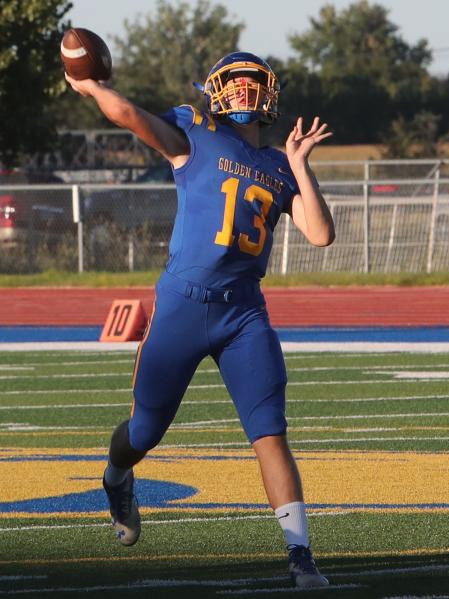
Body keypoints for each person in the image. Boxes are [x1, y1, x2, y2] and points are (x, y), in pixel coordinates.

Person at [65, 51, 335, 588]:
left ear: (269, 95)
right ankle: (117, 475)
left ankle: (301, 555)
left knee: (270, 433)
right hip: (184, 304)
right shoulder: (196, 129)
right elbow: (130, 116)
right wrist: (92, 86)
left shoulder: (281, 167)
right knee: (145, 430)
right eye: (233, 83)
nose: (242, 92)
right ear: (215, 90)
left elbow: (322, 235)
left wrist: (301, 167)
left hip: (243, 314)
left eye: (250, 84)